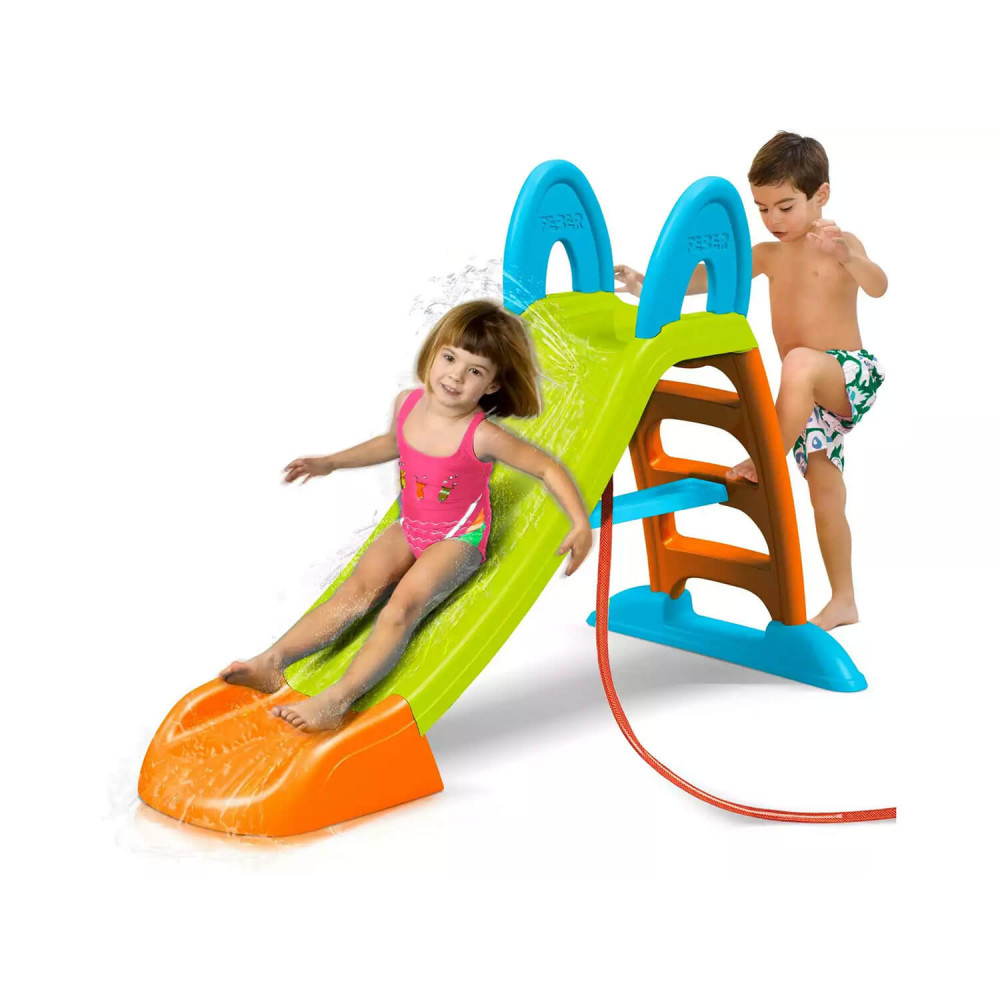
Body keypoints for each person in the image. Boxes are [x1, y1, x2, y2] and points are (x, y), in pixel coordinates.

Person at [220, 299, 594, 731]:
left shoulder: (482, 436)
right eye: (450, 358)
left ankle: (336, 701)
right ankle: (272, 662)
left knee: (401, 607)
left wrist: (580, 523)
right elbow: (391, 443)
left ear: (491, 385)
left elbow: (546, 467)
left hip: (457, 540)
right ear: (433, 353)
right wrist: (331, 462)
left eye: (474, 370)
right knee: (353, 592)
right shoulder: (408, 404)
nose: (455, 376)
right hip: (411, 527)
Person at [613, 132, 887, 631]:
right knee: (826, 494)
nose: (773, 219)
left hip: (848, 375)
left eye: (785, 207)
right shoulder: (767, 254)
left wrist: (848, 256)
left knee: (799, 362)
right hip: (805, 403)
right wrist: (646, 284)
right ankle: (844, 600)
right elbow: (705, 280)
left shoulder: (840, 245)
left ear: (821, 195)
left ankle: (766, 456)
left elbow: (878, 285)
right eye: (762, 209)